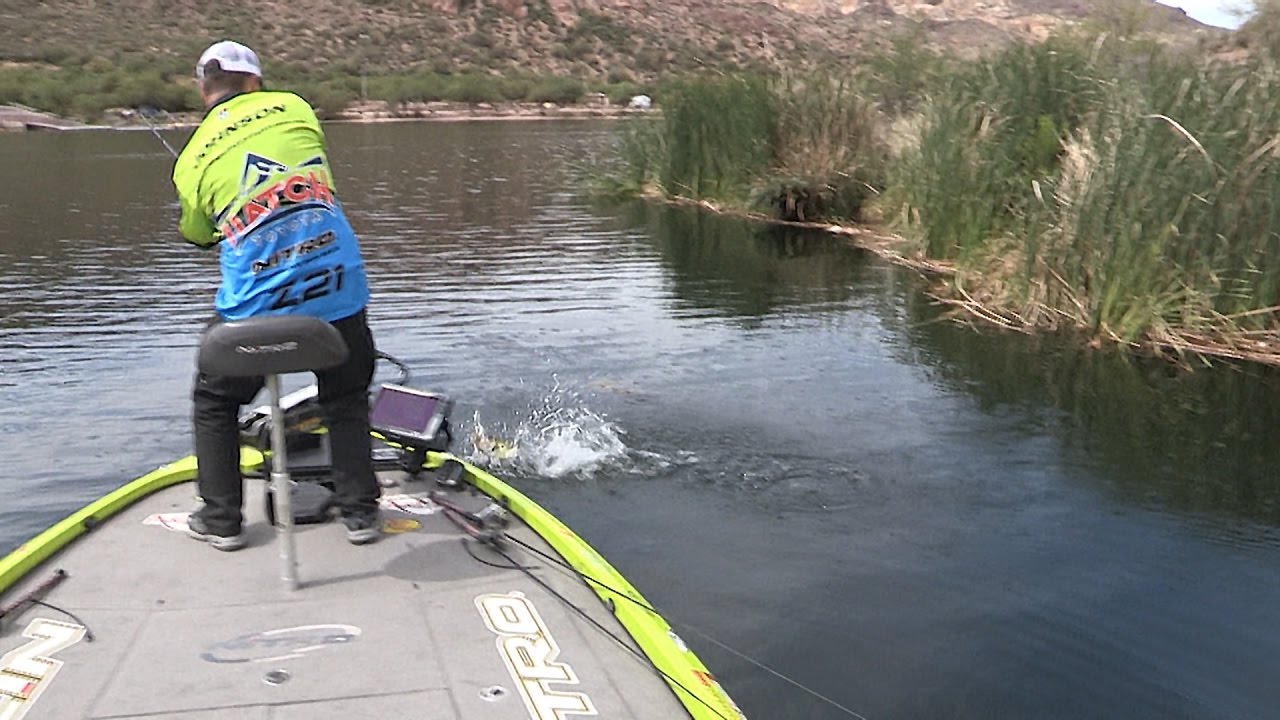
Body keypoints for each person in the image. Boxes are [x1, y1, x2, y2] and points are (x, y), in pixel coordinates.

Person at [173, 40, 381, 551]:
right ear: (255, 81)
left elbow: (198, 236)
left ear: (204, 91)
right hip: (338, 296)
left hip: (252, 319)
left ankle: (222, 518)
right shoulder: (296, 108)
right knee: (346, 398)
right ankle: (360, 514)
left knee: (214, 401)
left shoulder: (189, 161)